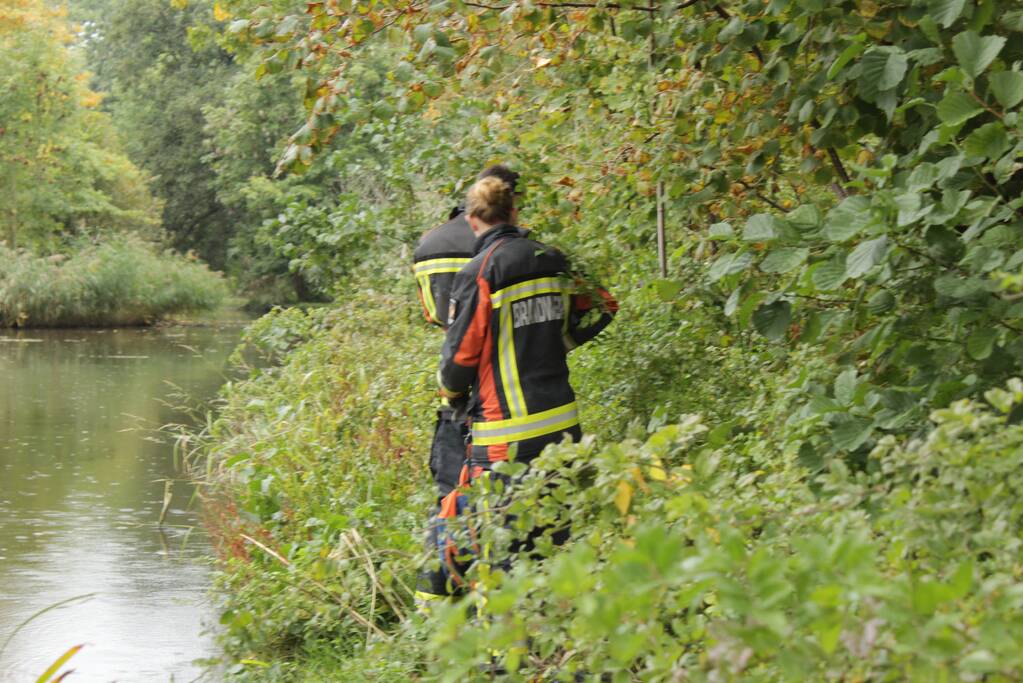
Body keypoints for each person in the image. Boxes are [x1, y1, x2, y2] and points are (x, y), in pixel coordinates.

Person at [434, 173, 617, 582]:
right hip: (562, 431)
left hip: (505, 441)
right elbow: (603, 305)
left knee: (505, 558)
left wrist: (450, 391)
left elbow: (459, 360)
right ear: (514, 211)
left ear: (471, 219)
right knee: (556, 546)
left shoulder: (479, 273)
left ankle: (511, 625)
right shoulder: (551, 258)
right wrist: (559, 341)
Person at [412, 166, 524, 609]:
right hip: (501, 396)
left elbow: (434, 316)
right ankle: (485, 598)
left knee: (450, 495)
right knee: (501, 506)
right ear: (511, 201)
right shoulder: (520, 251)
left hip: (455, 395)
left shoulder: (430, 245)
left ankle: (436, 599)